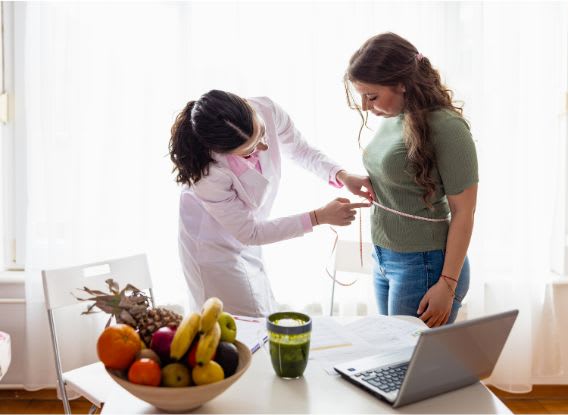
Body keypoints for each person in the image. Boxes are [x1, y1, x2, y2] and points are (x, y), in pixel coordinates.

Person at [169, 90, 374, 317]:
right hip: (212, 248)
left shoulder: (266, 109)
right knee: (239, 324)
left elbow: (301, 150)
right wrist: (319, 217)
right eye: (250, 150)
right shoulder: (208, 174)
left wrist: (341, 175)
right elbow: (250, 232)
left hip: (247, 237)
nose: (264, 146)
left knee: (262, 316)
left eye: (263, 133)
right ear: (221, 151)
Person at [345, 33, 478, 327]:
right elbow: (403, 174)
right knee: (394, 361)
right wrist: (362, 179)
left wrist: (448, 283)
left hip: (425, 264)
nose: (366, 106)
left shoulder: (448, 128)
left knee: (407, 364)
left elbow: (464, 212)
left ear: (402, 84)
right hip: (384, 258)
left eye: (372, 96)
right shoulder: (396, 116)